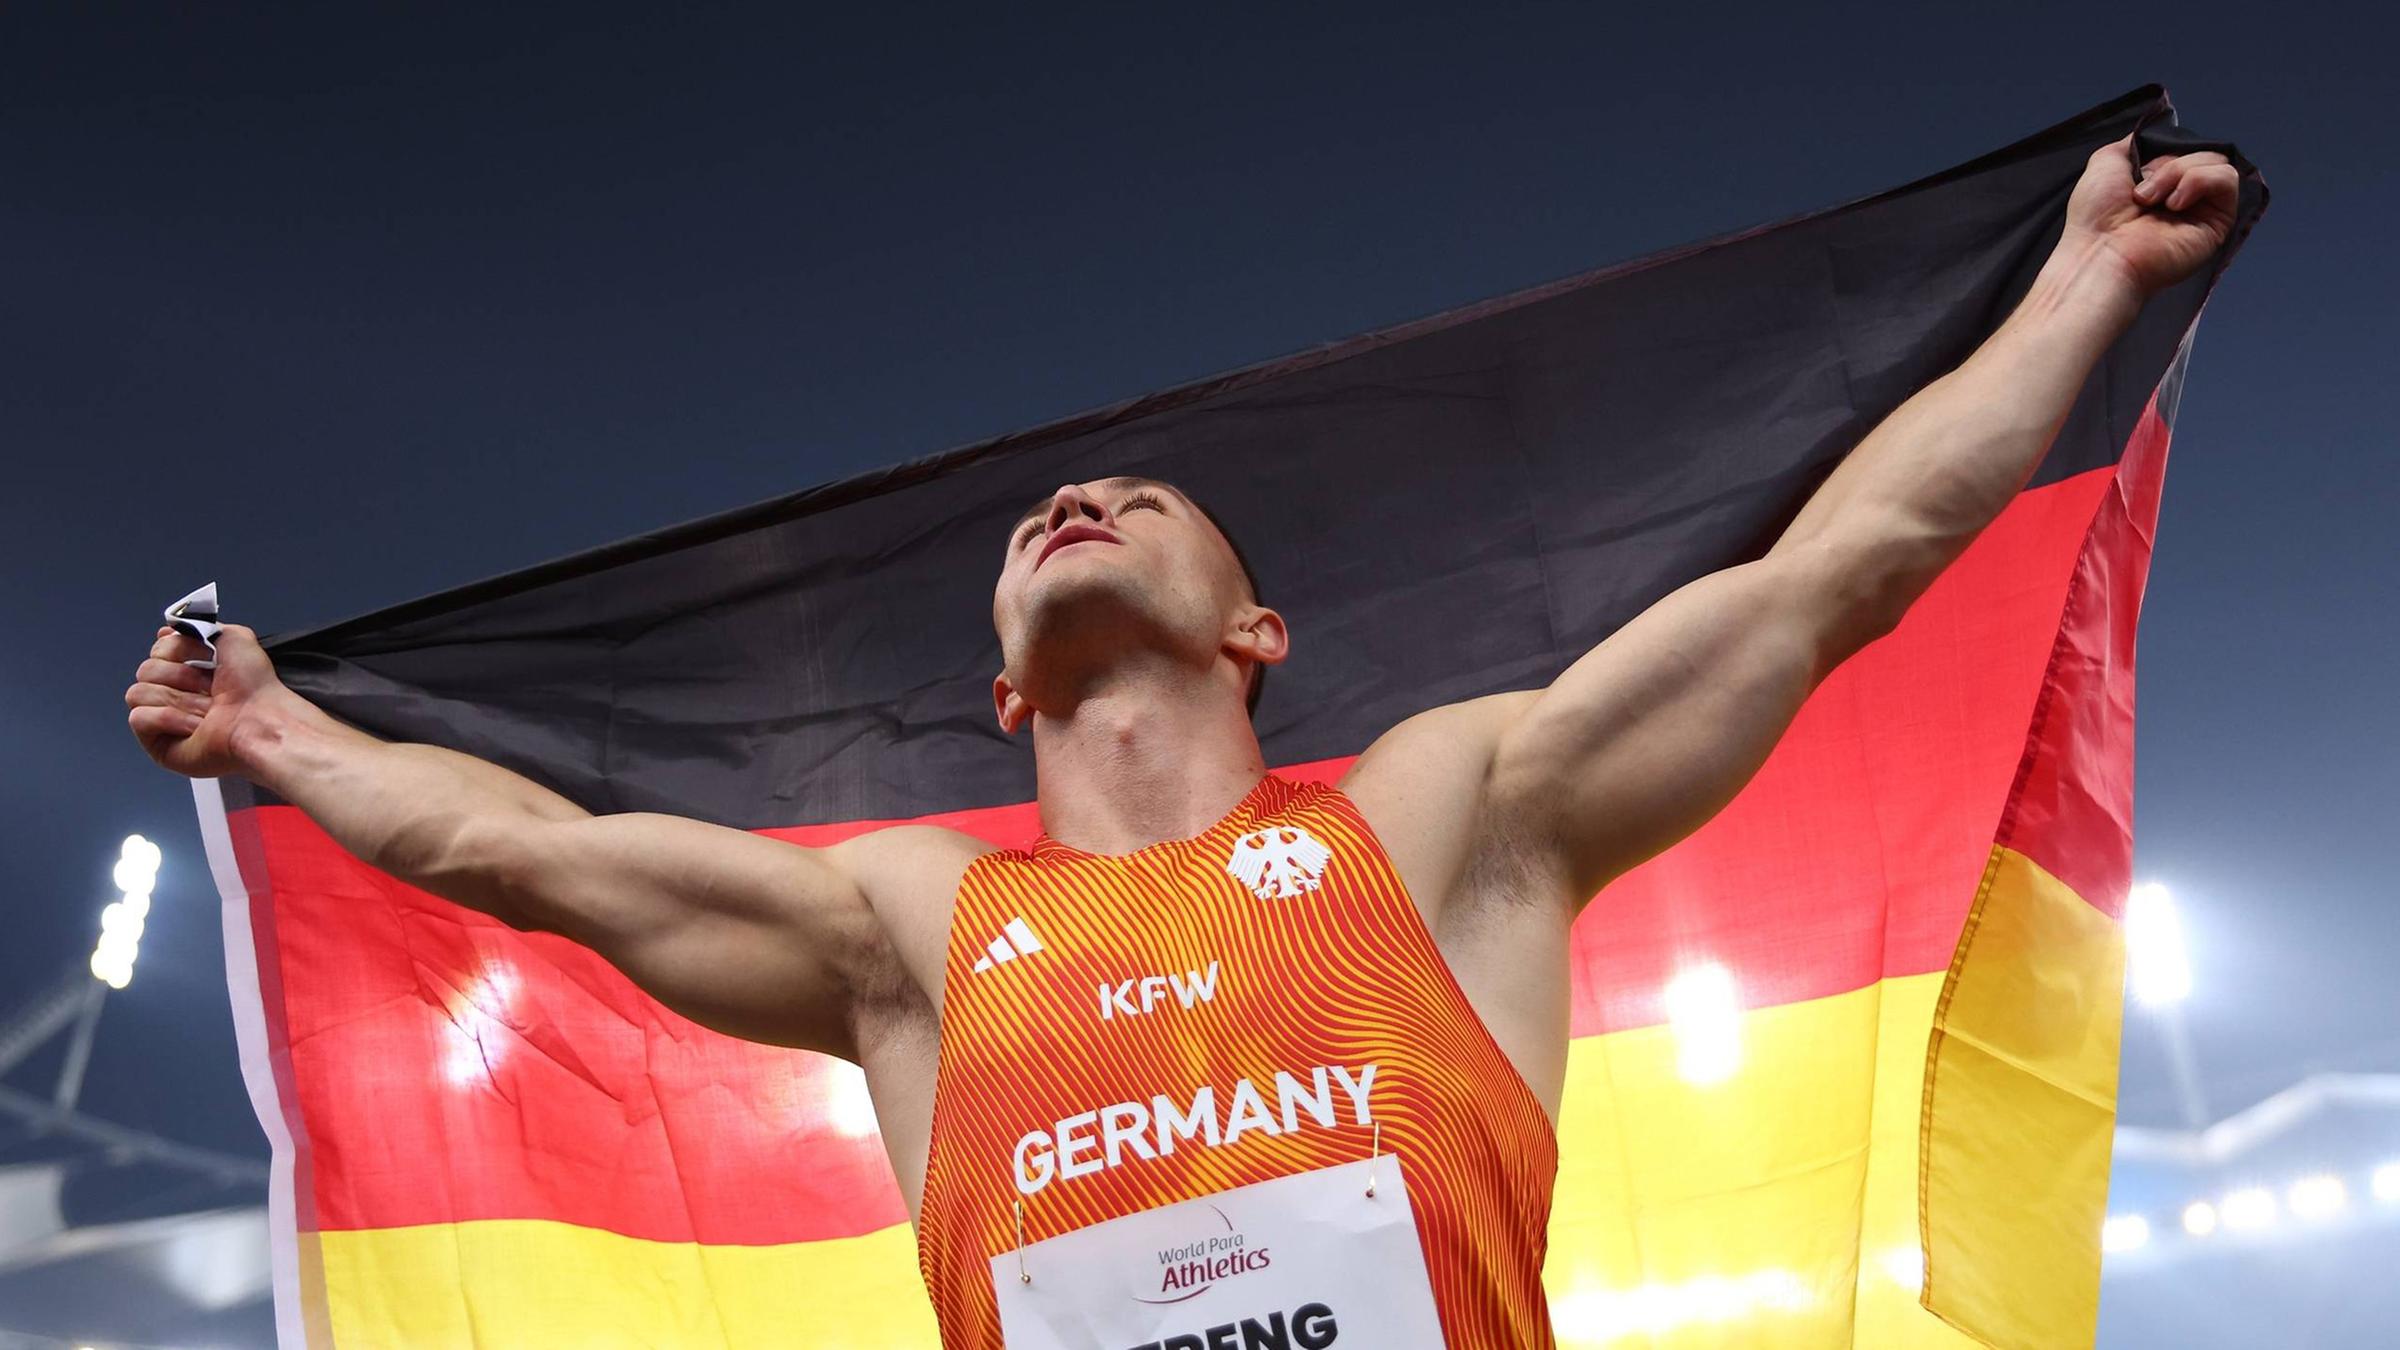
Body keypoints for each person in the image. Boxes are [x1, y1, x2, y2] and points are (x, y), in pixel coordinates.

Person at [126, 135, 2238, 1349]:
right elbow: (527, 855)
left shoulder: (1444, 821)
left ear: (1257, 632)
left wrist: (2085, 281)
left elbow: (1833, 577)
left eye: (1140, 498)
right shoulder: (914, 931)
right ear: (1003, 694)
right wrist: (276, 730)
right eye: (1041, 521)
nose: (1073, 500)